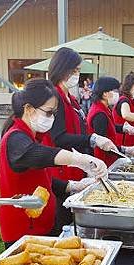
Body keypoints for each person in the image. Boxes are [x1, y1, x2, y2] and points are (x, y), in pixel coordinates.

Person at [0, 79, 103, 246]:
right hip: (24, 230)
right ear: (28, 109)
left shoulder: (34, 135)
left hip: (43, 223)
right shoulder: (15, 137)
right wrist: (80, 159)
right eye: (48, 112)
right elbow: (39, 155)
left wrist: (74, 186)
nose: (52, 118)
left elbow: (43, 180)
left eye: (54, 113)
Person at [47, 47, 117, 182]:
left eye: (78, 70)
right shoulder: (55, 97)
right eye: (74, 71)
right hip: (63, 168)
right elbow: (58, 137)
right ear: (62, 69)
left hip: (78, 165)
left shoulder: (71, 98)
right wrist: (92, 139)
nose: (77, 74)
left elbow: (81, 129)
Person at [87, 76, 134, 165]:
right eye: (115, 91)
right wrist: (125, 149)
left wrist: (124, 128)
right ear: (105, 93)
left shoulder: (104, 108)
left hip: (110, 156)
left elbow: (109, 126)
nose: (117, 94)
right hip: (103, 160)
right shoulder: (99, 114)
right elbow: (103, 144)